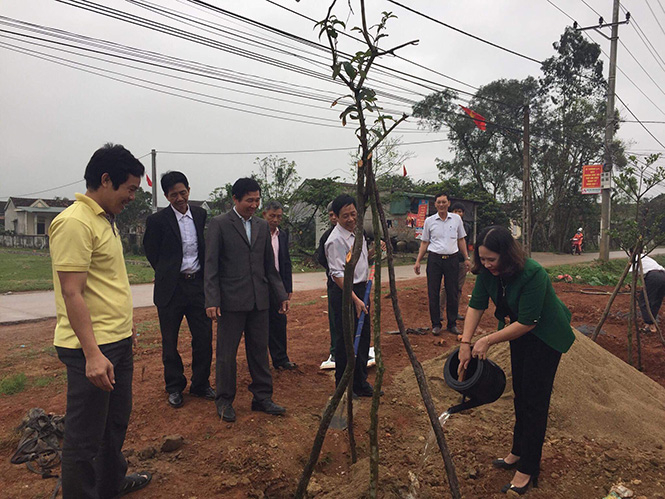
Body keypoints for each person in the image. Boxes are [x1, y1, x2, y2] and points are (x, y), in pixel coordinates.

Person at [49, 143, 151, 498]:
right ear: (106, 180)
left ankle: (110, 484)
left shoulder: (105, 220)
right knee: (85, 436)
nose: (133, 197)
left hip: (117, 341)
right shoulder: (74, 223)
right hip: (92, 349)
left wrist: (127, 326)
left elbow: (108, 282)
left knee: (114, 425)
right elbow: (72, 292)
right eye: (130, 189)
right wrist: (92, 353)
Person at [457, 225, 575, 495]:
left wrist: (487, 340)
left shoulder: (532, 273)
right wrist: (466, 342)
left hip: (545, 336)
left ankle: (528, 469)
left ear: (507, 255)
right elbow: (476, 305)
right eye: (483, 259)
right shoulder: (486, 273)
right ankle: (517, 452)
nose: (486, 264)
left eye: (492, 259)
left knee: (535, 401)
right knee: (520, 394)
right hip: (517, 333)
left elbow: (529, 322)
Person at [204, 177, 289, 423]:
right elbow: (211, 265)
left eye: (257, 200)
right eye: (249, 200)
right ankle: (224, 401)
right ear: (235, 199)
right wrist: (212, 299)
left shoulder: (262, 226)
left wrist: (280, 294)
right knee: (226, 355)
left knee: (259, 352)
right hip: (230, 302)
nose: (254, 205)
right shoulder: (219, 224)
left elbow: (268, 267)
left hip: (259, 301)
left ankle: (262, 397)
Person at [143, 171, 214, 408]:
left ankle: (201, 384)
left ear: (189, 190)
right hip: (170, 290)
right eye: (174, 195)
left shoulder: (200, 214)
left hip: (197, 286)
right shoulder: (157, 221)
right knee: (169, 341)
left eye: (183, 193)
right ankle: (174, 386)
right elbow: (151, 252)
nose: (180, 198)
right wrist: (167, 273)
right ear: (166, 196)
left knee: (203, 338)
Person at [324, 194, 374, 397]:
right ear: (336, 216)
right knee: (346, 341)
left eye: (354, 214)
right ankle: (344, 386)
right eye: (346, 216)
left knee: (363, 339)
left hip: (362, 290)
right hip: (345, 293)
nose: (351, 219)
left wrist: (372, 255)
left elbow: (360, 262)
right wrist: (354, 299)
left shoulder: (358, 234)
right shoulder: (335, 240)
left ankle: (360, 382)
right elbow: (337, 274)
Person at [414, 193, 471, 336]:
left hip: (452, 259)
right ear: (435, 204)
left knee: (452, 292)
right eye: (438, 202)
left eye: (444, 202)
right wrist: (418, 261)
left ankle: (452, 324)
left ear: (448, 203)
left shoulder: (456, 219)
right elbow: (425, 242)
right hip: (434, 260)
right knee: (433, 292)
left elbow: (461, 240)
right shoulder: (429, 221)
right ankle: (436, 324)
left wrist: (466, 258)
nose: (441, 204)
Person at [262, 200, 296, 370]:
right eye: (272, 216)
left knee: (279, 322)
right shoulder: (257, 234)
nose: (275, 220)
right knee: (260, 324)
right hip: (260, 284)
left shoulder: (281, 235)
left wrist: (288, 288)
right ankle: (260, 362)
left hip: (278, 286)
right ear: (264, 215)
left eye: (279, 217)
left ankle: (281, 359)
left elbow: (286, 262)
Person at [315, 202, 338, 370]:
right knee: (336, 319)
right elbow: (321, 258)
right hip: (335, 284)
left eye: (335, 214)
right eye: (330, 215)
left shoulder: (357, 233)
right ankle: (336, 350)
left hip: (356, 285)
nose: (333, 218)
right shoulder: (328, 236)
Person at [441, 202, 471, 322]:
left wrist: (467, 258)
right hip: (449, 260)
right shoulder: (446, 225)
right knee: (446, 287)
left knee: (458, 288)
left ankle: (454, 311)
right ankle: (439, 311)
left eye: (460, 211)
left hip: (461, 261)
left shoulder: (466, 227)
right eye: (455, 211)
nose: (458, 213)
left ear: (463, 213)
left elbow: (465, 243)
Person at [636, 255, 665, 333]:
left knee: (643, 301)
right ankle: (650, 325)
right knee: (656, 301)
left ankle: (650, 324)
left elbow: (636, 274)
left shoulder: (635, 258)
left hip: (653, 276)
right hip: (663, 275)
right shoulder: (646, 257)